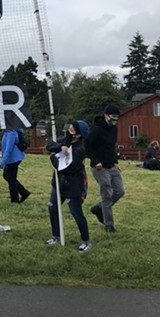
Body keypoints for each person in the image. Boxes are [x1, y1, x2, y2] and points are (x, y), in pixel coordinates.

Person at [45, 120, 91, 252]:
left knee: (76, 213)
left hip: (73, 185)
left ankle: (86, 242)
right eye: (72, 126)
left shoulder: (80, 149)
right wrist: (60, 148)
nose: (71, 128)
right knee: (52, 209)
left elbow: (67, 168)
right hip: (58, 183)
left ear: (79, 134)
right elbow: (49, 144)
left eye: (74, 128)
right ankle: (56, 237)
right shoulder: (65, 139)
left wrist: (53, 158)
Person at [86, 104, 125, 234]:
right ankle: (109, 225)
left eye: (117, 117)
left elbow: (111, 146)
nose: (115, 119)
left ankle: (98, 208)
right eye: (113, 117)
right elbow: (87, 145)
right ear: (106, 116)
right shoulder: (96, 129)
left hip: (111, 165)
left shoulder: (114, 129)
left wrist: (115, 161)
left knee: (119, 191)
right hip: (100, 168)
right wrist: (95, 160)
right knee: (107, 195)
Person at [0, 128, 31, 203]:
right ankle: (24, 192)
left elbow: (8, 149)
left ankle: (15, 200)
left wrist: (2, 162)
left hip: (14, 159)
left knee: (11, 179)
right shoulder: (8, 132)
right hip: (12, 158)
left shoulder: (11, 133)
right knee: (7, 176)